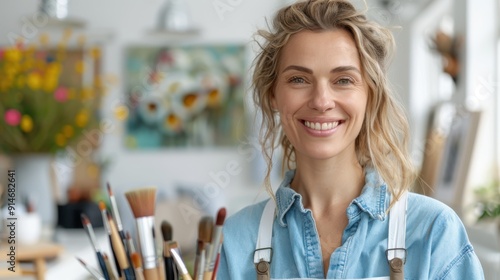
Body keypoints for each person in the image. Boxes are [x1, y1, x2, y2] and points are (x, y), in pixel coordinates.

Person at [217, 0, 485, 279]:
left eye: (343, 80)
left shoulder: (433, 232)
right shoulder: (236, 241)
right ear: (274, 94)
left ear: (370, 94)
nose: (321, 101)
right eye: (299, 79)